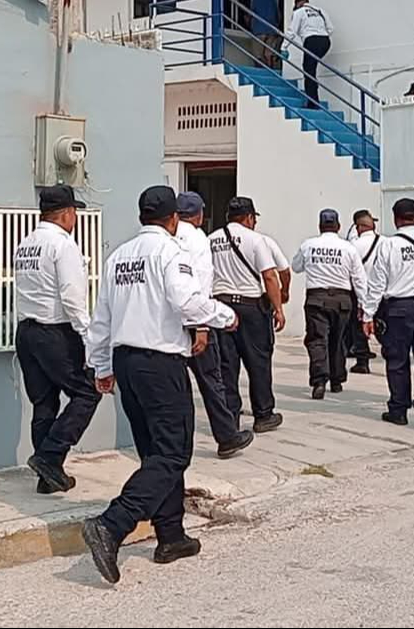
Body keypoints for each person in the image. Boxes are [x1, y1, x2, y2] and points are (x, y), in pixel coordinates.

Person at [81, 186, 238, 585]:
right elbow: (187, 302)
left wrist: (100, 365)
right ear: (174, 220)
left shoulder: (118, 257)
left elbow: (102, 318)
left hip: (126, 362)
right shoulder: (171, 253)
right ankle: (112, 524)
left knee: (154, 452)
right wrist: (223, 315)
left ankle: (171, 536)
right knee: (172, 454)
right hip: (160, 362)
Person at [14, 185, 102, 494]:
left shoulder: (26, 243)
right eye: (74, 212)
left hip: (26, 332)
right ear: (66, 214)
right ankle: (50, 457)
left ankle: (47, 477)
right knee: (88, 393)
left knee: (44, 402)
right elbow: (72, 296)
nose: (75, 217)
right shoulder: (63, 245)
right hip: (55, 333)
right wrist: (89, 337)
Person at [175, 191, 255, 459]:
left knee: (176, 385)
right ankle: (227, 436)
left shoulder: (167, 236)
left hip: (168, 323)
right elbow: (199, 285)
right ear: (198, 215)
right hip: (196, 320)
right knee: (212, 380)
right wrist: (203, 326)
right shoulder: (198, 239)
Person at [362, 198, 414, 433]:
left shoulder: (388, 245)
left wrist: (368, 315)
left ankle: (398, 411)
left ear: (396, 218)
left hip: (399, 310)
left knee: (398, 362)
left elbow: (377, 283)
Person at [209, 197, 286, 434]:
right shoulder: (256, 240)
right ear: (250, 217)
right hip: (251, 308)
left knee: (226, 366)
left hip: (221, 307)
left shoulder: (210, 240)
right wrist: (279, 308)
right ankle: (263, 415)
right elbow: (270, 276)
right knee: (258, 363)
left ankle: (231, 418)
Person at [292, 209, 368, 399]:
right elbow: (359, 278)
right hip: (343, 300)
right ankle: (336, 380)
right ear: (338, 226)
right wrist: (364, 305)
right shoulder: (348, 248)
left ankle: (319, 381)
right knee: (338, 340)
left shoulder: (308, 245)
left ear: (320, 226)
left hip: (316, 298)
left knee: (317, 340)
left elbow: (296, 267)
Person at [284, 0, 334, 107]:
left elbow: (291, 31)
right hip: (325, 41)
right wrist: (321, 33)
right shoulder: (320, 11)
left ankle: (313, 102)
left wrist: (284, 47)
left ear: (298, 4)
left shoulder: (299, 12)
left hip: (311, 41)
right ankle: (313, 96)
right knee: (311, 68)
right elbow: (331, 28)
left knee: (308, 70)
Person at [347, 209, 381, 374]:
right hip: (382, 291)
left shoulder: (353, 246)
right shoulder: (386, 242)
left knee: (358, 325)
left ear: (358, 227)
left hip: (360, 290)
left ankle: (362, 361)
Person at [250, 0, 281, 69]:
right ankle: (270, 72)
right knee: (269, 54)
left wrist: (250, 27)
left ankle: (260, 72)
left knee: (258, 55)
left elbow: (250, 15)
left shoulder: (255, 1)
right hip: (272, 31)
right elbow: (279, 16)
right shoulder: (273, 1)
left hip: (259, 31)